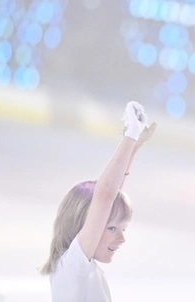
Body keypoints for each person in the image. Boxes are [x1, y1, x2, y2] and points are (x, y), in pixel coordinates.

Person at [40, 101, 157, 301]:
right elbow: (105, 196)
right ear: (83, 224)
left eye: (122, 228)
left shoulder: (79, 267)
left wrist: (135, 145)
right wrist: (130, 136)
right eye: (112, 228)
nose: (122, 238)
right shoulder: (73, 268)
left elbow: (110, 197)